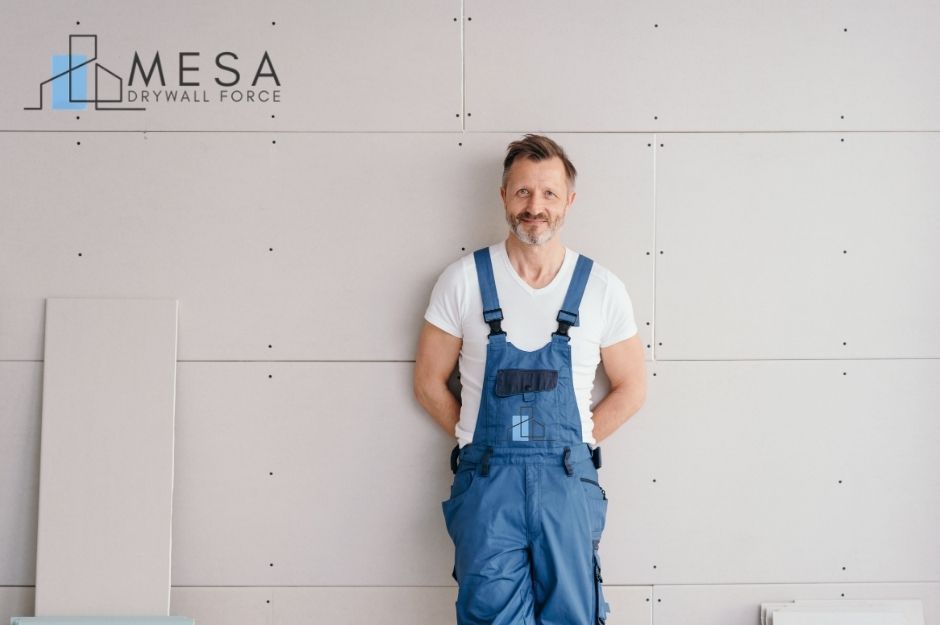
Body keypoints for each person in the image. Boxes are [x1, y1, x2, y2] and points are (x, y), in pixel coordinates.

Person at [414, 134, 647, 625]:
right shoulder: (463, 281)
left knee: (574, 616)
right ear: (503, 196)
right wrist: (475, 439)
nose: (534, 206)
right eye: (522, 192)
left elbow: (632, 387)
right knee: (489, 617)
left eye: (548, 193)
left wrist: (576, 441)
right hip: (487, 484)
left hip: (568, 482)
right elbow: (428, 382)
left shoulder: (601, 288)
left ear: (569, 201)